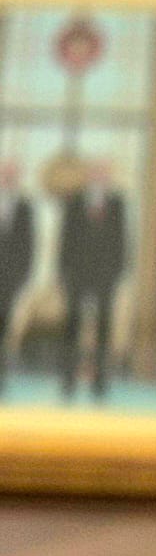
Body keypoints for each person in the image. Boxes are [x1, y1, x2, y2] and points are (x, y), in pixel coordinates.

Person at [57, 158, 128, 402]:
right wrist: (63, 272)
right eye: (95, 172)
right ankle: (68, 382)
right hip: (77, 274)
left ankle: (100, 384)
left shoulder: (117, 203)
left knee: (103, 329)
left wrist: (119, 271)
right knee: (72, 327)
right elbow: (65, 238)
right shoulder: (74, 201)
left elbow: (122, 239)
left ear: (108, 176)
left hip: (105, 276)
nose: (99, 175)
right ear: (88, 175)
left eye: (103, 172)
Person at [0, 160, 33, 394]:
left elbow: (28, 246)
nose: (8, 179)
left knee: (3, 328)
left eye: (12, 175)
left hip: (8, 281)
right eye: (4, 174)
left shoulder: (24, 208)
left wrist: (20, 278)